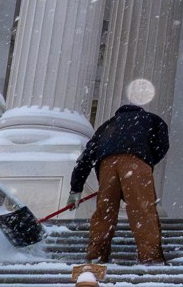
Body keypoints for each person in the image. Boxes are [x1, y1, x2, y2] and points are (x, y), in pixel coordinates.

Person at [71, 77, 172, 265]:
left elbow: (86, 157)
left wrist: (75, 188)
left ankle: (96, 255)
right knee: (142, 210)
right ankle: (150, 257)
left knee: (105, 212)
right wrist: (147, 161)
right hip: (136, 162)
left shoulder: (107, 126)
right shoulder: (151, 120)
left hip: (107, 165)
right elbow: (162, 144)